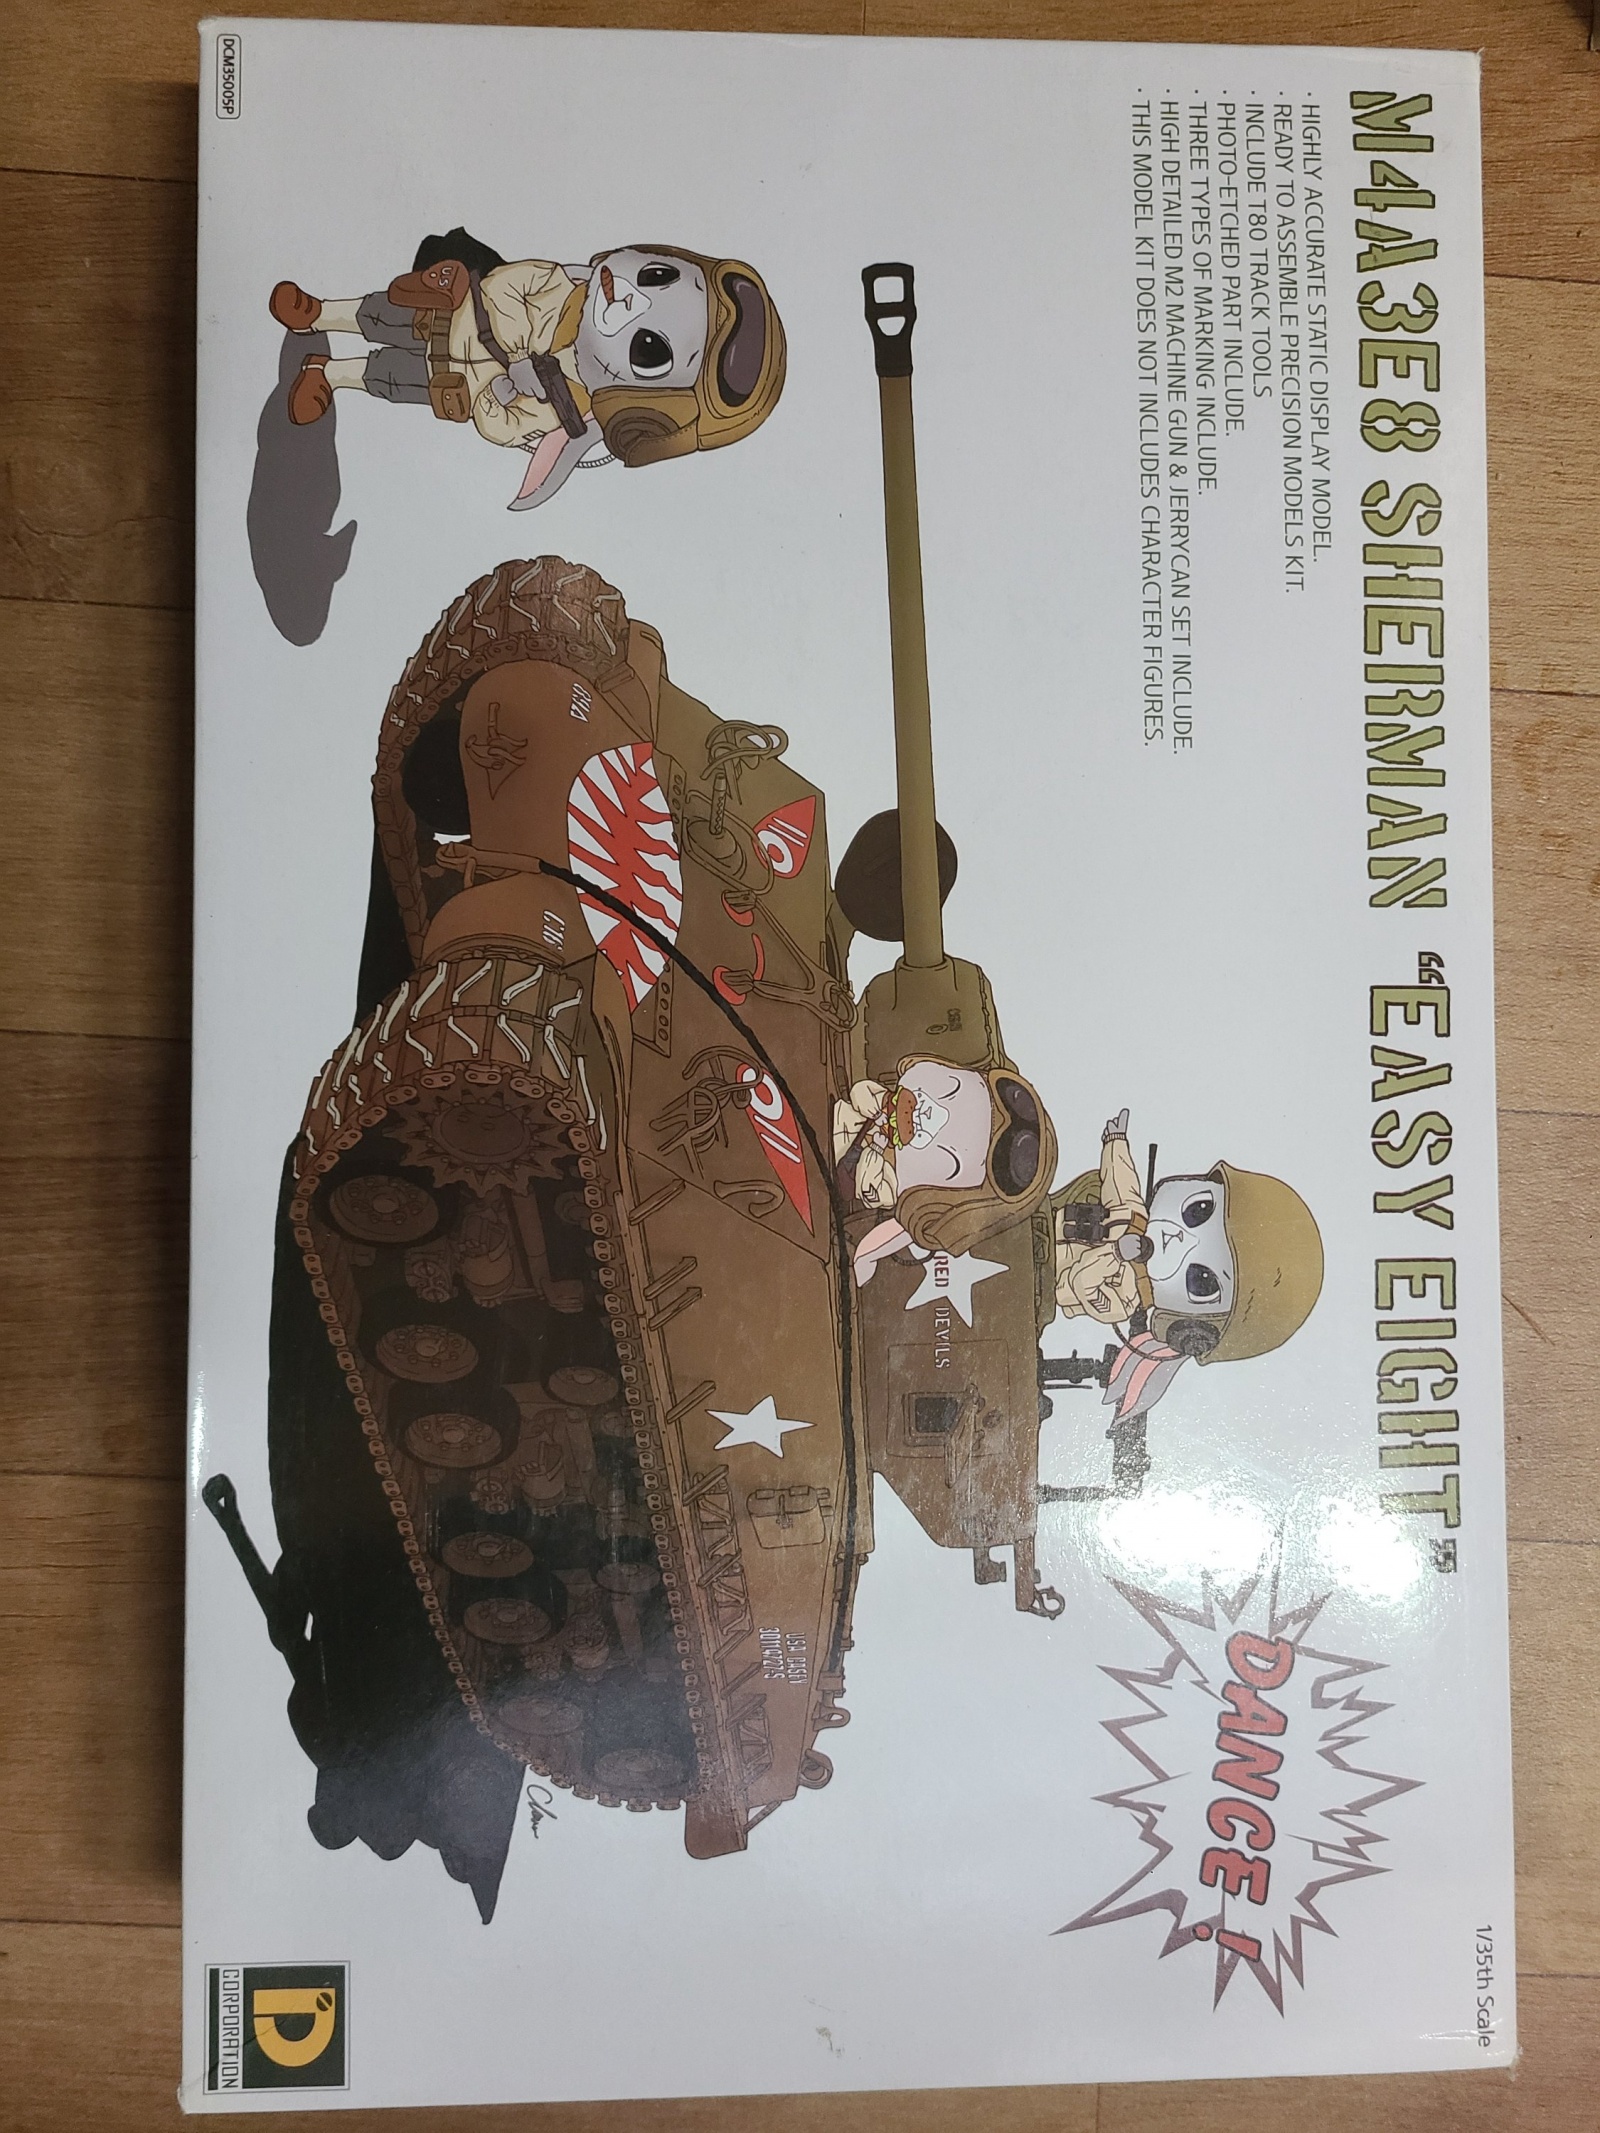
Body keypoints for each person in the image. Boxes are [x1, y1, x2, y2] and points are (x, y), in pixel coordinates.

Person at [268, 239, 786, 509]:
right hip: (446, 314)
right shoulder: (560, 287)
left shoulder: (566, 411)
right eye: (656, 276)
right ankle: (320, 313)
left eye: (648, 348)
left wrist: (503, 390)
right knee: (381, 313)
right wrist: (515, 347)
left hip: (448, 382)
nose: (632, 300)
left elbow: (499, 427)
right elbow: (504, 285)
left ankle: (331, 374)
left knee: (389, 377)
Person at [1051, 1108, 1323, 1420]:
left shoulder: (1124, 1299)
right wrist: (1115, 1141)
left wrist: (1114, 1255)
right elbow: (1120, 1184)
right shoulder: (1134, 1215)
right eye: (1199, 1210)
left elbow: (1079, 1285)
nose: (1177, 1238)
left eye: (1202, 1280)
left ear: (1188, 1328)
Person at [833, 1059, 1057, 1284]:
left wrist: (865, 1255)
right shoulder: (874, 1100)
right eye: (953, 1088)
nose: (928, 1113)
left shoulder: (885, 1183)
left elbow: (902, 1228)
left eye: (952, 1157)